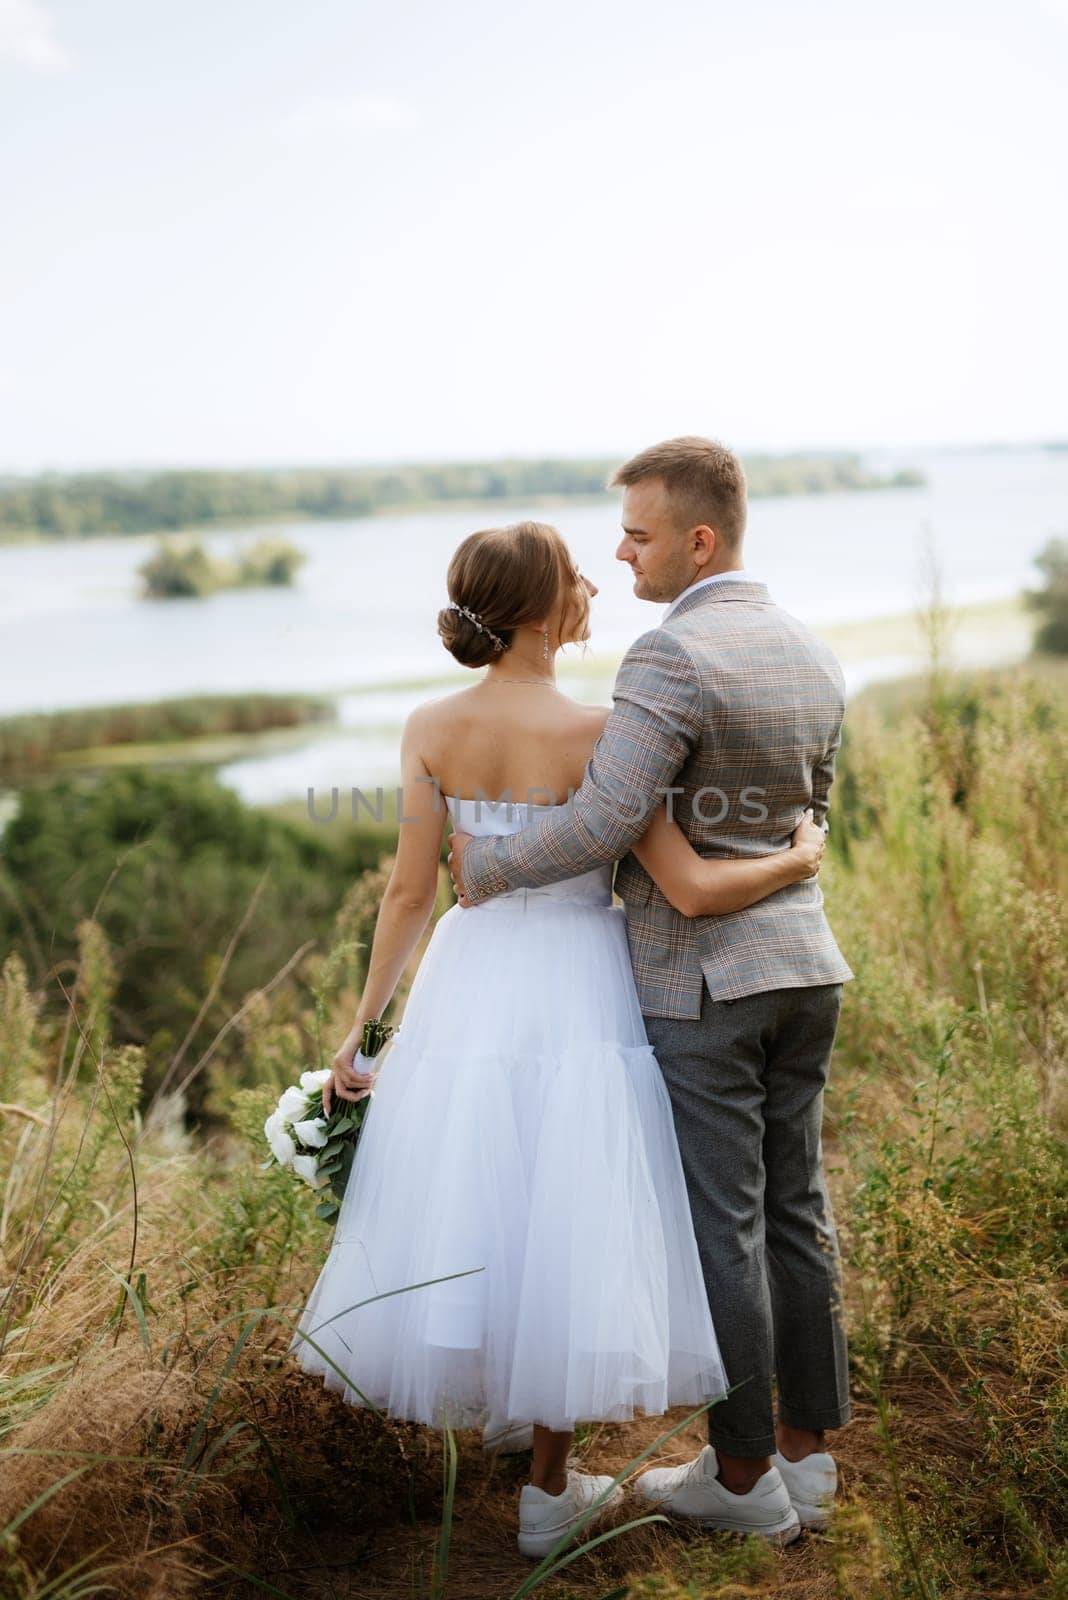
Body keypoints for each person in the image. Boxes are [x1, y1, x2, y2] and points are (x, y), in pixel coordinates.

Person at [291, 516, 828, 1556]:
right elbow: (682, 878)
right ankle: (547, 1486)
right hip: (582, 980)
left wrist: (365, 1031)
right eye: (578, 576)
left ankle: (514, 1441)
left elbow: (409, 892)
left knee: (481, 1194)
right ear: (541, 606)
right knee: (565, 1207)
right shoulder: (599, 731)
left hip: (471, 979)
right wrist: (797, 860)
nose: (593, 585)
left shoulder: (430, 725)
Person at [450, 438, 854, 1543]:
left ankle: (739, 1475)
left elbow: (602, 819)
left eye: (637, 532)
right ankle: (809, 1458)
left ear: (699, 538)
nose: (620, 552)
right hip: (805, 965)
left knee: (724, 1224)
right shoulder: (811, 650)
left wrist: (485, 867)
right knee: (795, 1212)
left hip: (702, 982)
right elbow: (805, 816)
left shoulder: (668, 658)